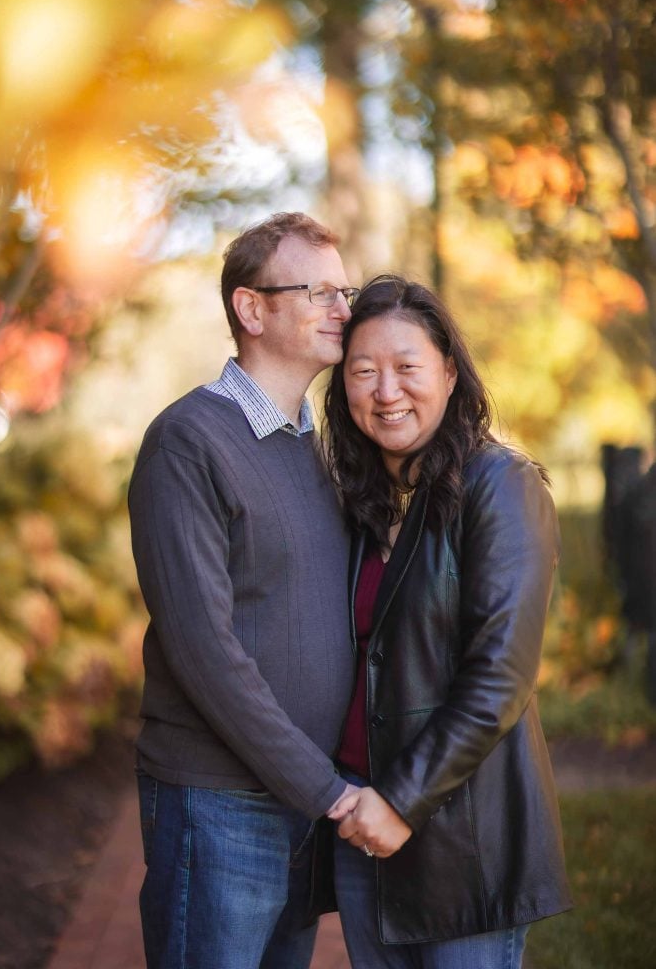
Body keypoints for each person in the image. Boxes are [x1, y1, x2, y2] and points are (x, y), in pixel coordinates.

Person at [128, 212, 361, 969]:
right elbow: (204, 651)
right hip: (219, 804)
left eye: (344, 291)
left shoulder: (315, 452)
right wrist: (322, 789)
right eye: (318, 292)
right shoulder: (189, 441)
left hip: (298, 798)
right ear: (250, 308)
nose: (342, 310)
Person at [323, 274, 572, 968]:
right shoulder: (359, 500)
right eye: (362, 371)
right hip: (359, 824)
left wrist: (399, 803)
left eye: (406, 368)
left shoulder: (501, 485)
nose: (385, 390)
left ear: (450, 373)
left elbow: (498, 676)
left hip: (463, 837)